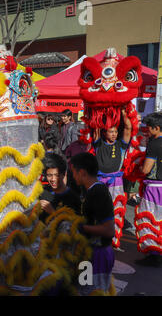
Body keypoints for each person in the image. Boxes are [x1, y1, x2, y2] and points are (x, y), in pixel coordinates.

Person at [70, 153, 115, 295]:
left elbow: (109, 230)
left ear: (82, 172)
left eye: (73, 172)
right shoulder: (90, 190)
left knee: (95, 292)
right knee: (83, 290)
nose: (73, 176)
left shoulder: (99, 192)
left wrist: (79, 228)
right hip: (88, 252)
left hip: (99, 254)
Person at [92, 109, 131, 248]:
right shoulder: (98, 143)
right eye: (111, 131)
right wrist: (98, 108)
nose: (114, 134)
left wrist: (124, 113)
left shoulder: (121, 145)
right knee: (99, 210)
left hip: (116, 182)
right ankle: (99, 236)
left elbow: (128, 128)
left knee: (116, 210)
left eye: (115, 132)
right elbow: (95, 125)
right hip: (100, 182)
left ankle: (113, 239)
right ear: (104, 133)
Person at [135, 112, 162, 267]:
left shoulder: (154, 144)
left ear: (156, 128)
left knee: (148, 219)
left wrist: (138, 165)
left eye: (149, 127)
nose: (146, 130)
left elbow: (146, 169)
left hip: (155, 187)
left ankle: (153, 253)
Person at [39, 153, 81, 222]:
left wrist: (53, 212)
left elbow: (74, 225)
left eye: (57, 175)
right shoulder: (43, 194)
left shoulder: (73, 198)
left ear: (64, 174)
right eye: (49, 175)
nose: (53, 179)